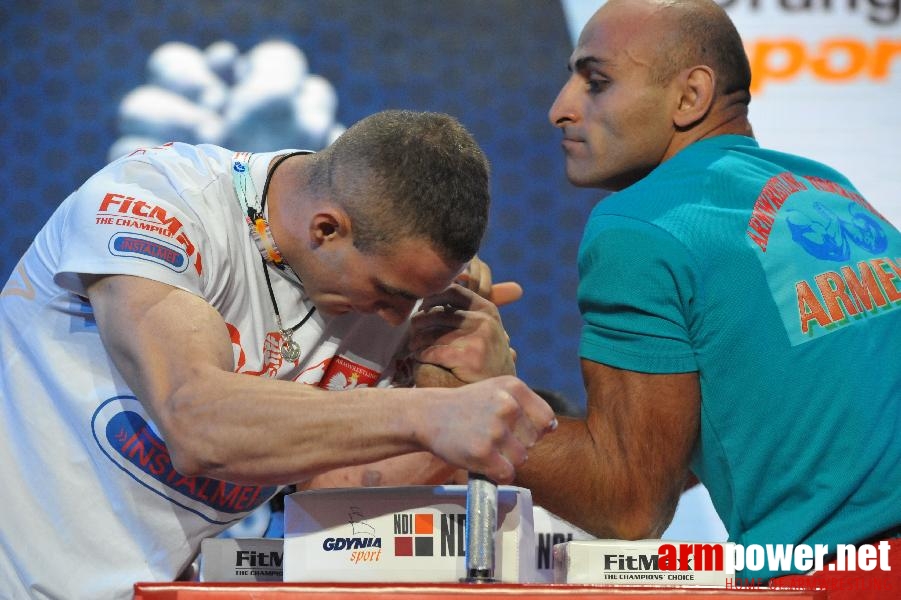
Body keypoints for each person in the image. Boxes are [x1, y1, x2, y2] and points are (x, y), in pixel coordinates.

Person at [0, 109, 556, 599]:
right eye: (388, 294)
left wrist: (448, 377)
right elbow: (198, 423)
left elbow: (335, 503)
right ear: (327, 229)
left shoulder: (393, 299)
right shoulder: (154, 204)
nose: (394, 318)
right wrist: (430, 414)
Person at [515, 0, 901, 594]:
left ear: (690, 96)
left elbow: (629, 504)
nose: (559, 109)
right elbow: (784, 424)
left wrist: (455, 403)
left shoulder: (640, 225)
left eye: (596, 81)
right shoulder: (825, 185)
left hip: (852, 575)